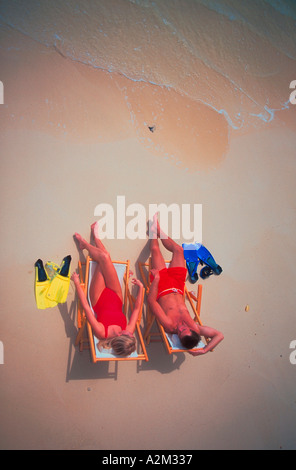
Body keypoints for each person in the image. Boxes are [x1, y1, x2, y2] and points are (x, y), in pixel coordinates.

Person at [147, 214, 224, 356]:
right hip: (178, 284)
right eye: (185, 329)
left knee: (156, 251)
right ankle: (159, 230)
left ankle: (153, 233)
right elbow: (219, 335)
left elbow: (151, 301)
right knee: (179, 250)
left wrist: (156, 279)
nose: (181, 327)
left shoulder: (169, 325)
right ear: (193, 331)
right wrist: (204, 350)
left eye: (180, 332)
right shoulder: (194, 326)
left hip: (162, 286)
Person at [71, 222, 144, 357]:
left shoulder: (102, 333)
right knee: (105, 257)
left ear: (120, 336)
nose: (131, 332)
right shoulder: (128, 331)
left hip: (98, 297)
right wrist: (141, 288)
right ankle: (95, 239)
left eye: (128, 334)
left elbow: (87, 308)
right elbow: (137, 309)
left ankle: (87, 244)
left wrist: (76, 283)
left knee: (104, 258)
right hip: (116, 295)